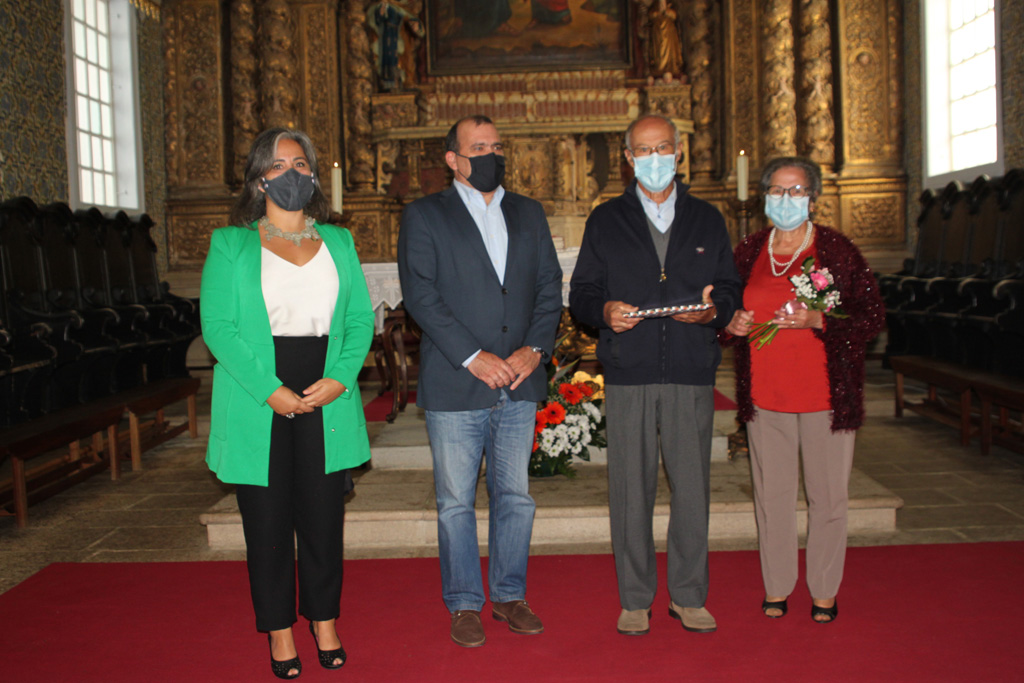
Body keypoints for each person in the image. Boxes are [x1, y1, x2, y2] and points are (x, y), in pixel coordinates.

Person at [200, 128, 375, 678]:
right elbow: (218, 327)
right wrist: (269, 389)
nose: (291, 173)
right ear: (259, 179)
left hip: (326, 388)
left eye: (300, 163)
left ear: (314, 175)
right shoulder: (230, 243)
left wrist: (340, 378)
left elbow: (359, 319)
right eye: (278, 165)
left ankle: (324, 620)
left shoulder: (339, 242)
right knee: (267, 522)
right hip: (258, 392)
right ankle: (278, 629)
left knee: (323, 518)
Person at [570, 114, 742, 636]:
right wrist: (605, 312)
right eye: (643, 151)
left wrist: (713, 312)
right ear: (628, 159)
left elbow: (729, 286)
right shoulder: (605, 219)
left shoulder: (707, 218)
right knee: (630, 489)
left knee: (691, 489)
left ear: (679, 151)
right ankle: (635, 598)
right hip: (630, 369)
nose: (654, 158)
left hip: (690, 367)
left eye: (663, 147)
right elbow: (583, 293)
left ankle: (689, 595)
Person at [397, 115, 563, 648]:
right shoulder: (425, 215)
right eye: (479, 147)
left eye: (497, 146)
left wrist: (535, 349)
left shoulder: (528, 212)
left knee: (515, 496)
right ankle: (465, 602)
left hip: (519, 377)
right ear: (453, 159)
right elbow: (421, 295)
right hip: (457, 380)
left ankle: (510, 595)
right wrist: (473, 357)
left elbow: (549, 285)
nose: (491, 155)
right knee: (455, 502)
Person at [722, 157, 884, 623]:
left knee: (827, 498)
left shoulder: (837, 249)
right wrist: (731, 324)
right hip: (766, 395)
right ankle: (777, 585)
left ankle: (824, 589)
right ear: (764, 197)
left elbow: (871, 317)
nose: (786, 199)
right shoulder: (749, 250)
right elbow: (724, 314)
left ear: (812, 198)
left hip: (825, 398)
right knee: (771, 498)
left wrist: (820, 320)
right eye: (777, 190)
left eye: (796, 191)